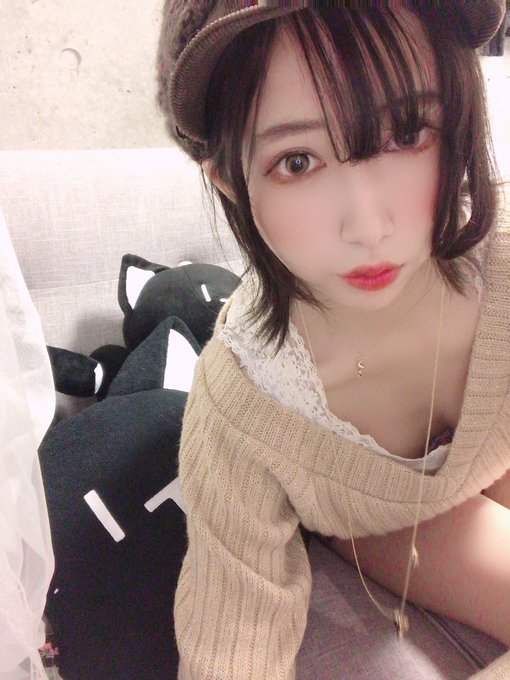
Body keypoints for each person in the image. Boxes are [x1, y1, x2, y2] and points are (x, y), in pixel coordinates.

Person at [156, 2, 510, 678]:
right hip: (390, 527)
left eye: (407, 131)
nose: (367, 226)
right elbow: (233, 644)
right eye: (297, 161)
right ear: (230, 182)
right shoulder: (249, 403)